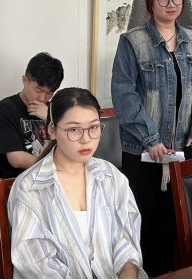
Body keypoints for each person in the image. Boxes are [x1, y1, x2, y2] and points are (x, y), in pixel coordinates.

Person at [112, 0, 192, 277]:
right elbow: (124, 95)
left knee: (169, 225)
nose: (171, 3)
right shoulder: (132, 41)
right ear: (150, 3)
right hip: (142, 151)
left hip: (181, 150)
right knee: (138, 221)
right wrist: (150, 138)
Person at [9, 88, 146, 279]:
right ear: (52, 131)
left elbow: (128, 244)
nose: (86, 139)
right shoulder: (30, 187)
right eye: (74, 129)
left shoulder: (111, 176)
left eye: (94, 127)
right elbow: (38, 264)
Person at [0, 52, 64, 179]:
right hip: (21, 181)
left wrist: (50, 117)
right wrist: (57, 167)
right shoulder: (6, 109)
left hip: (56, 178)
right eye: (38, 90)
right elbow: (16, 159)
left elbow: (69, 144)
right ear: (25, 80)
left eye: (49, 93)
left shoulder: (53, 109)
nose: (42, 98)